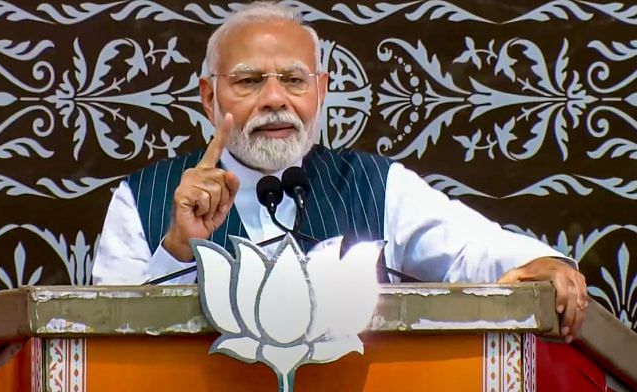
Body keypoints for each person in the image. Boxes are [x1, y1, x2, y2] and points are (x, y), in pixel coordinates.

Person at [92, 1, 588, 343]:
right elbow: (105, 344)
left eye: (293, 80)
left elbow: (471, 250)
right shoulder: (143, 198)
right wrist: (179, 248)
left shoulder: (374, 183)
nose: (274, 99)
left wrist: (545, 263)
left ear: (321, 91)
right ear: (209, 96)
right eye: (248, 81)